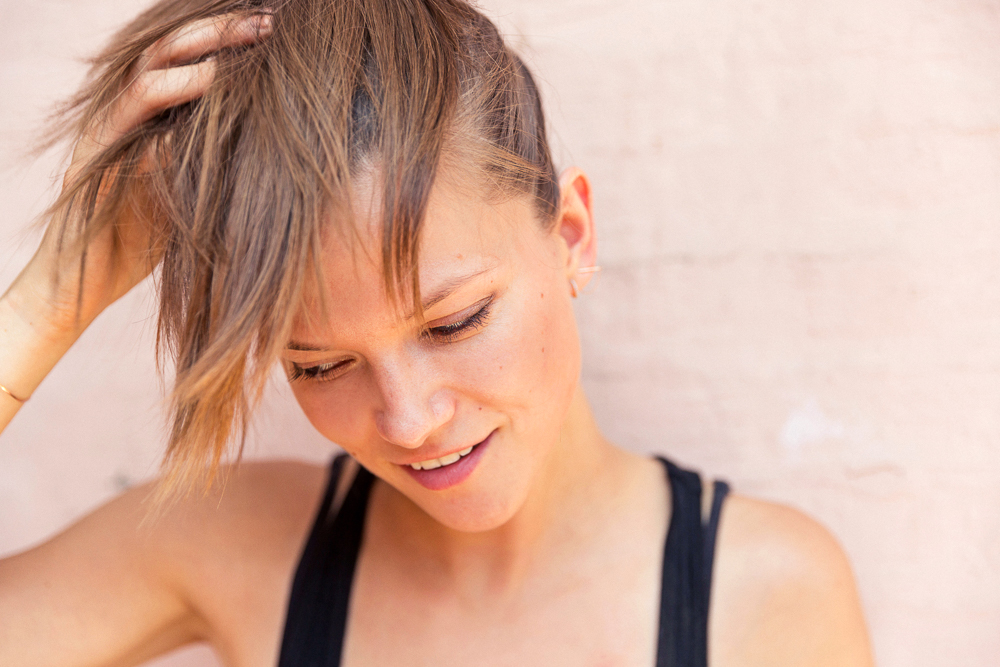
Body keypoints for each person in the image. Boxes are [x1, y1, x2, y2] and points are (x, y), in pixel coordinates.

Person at [0, 0, 875, 665]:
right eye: (320, 365)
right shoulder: (231, 545)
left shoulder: (760, 594)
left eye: (455, 321)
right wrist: (43, 307)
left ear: (571, 234)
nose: (409, 420)